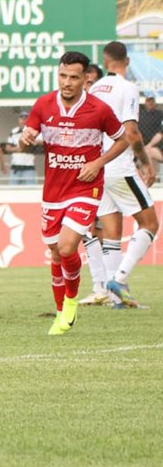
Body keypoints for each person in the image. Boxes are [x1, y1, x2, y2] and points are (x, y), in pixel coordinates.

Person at [19, 52, 132, 335]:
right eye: (63, 76)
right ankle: (61, 312)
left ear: (86, 79)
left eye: (73, 77)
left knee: (69, 247)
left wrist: (97, 163)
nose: (67, 82)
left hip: (86, 187)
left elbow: (123, 140)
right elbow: (27, 137)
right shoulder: (44, 104)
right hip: (53, 190)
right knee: (57, 254)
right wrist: (25, 140)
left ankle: (70, 303)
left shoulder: (99, 109)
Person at [89, 41, 159, 306]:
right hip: (119, 165)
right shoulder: (127, 87)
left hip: (97, 167)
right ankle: (118, 280)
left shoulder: (94, 89)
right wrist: (146, 163)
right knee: (150, 224)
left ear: (105, 62)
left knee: (111, 232)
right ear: (126, 62)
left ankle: (115, 298)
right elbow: (131, 132)